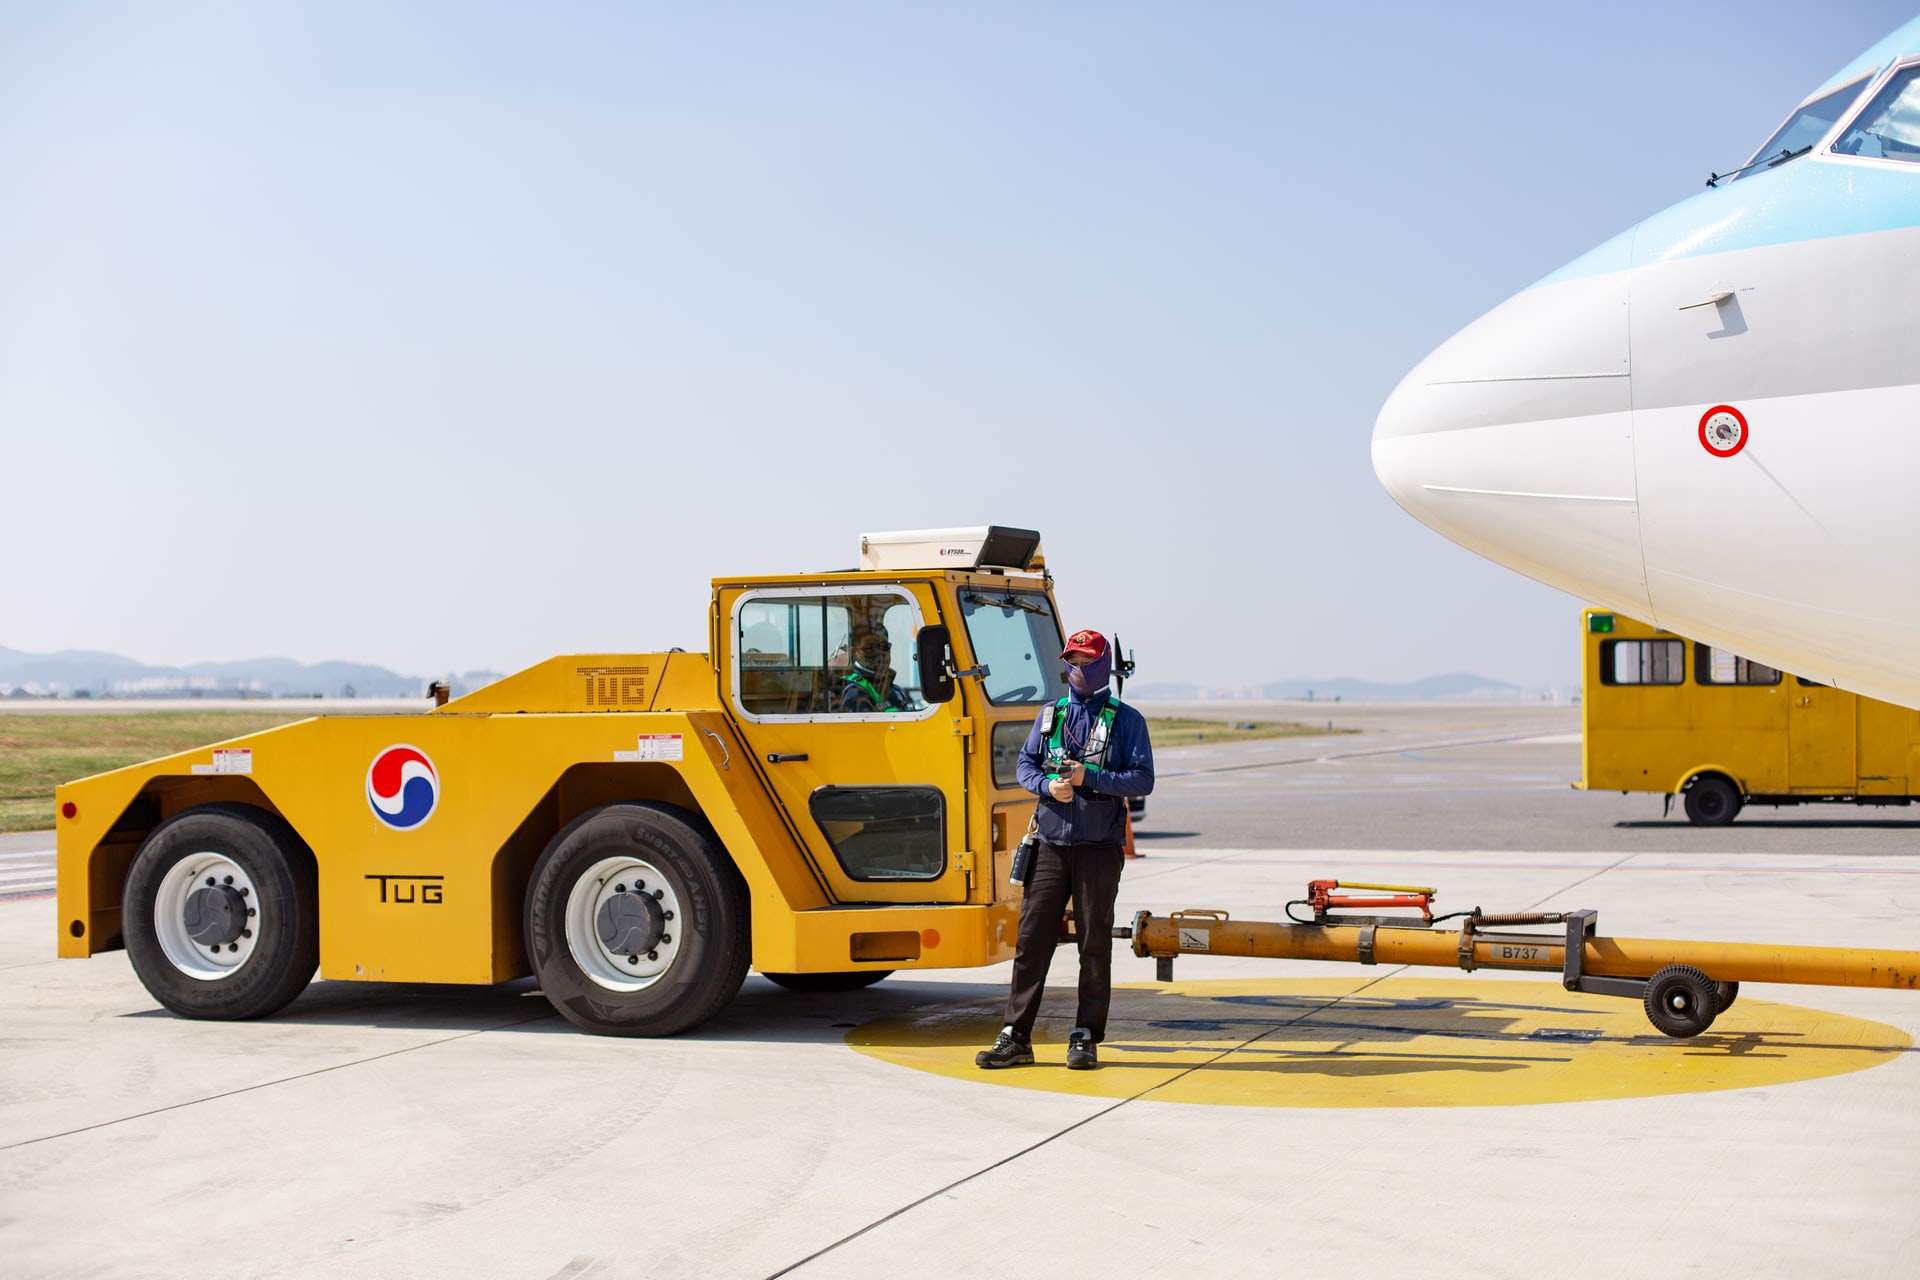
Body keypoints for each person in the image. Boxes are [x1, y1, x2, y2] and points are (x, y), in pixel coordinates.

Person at [976, 629, 1153, 1071]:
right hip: (1051, 845)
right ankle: (1015, 1036)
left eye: (1084, 660)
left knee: (1093, 944)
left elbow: (1142, 780)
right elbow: (1024, 766)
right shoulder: (1051, 715)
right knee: (1032, 941)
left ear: (1101, 665)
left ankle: (1085, 1035)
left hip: (1098, 849)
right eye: (1071, 660)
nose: (1075, 668)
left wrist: (1086, 779)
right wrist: (1048, 787)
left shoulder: (1127, 720)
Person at [839, 629, 912, 713]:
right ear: (854, 652)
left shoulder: (896, 690)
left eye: (885, 646)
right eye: (871, 647)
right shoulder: (854, 693)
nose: (880, 652)